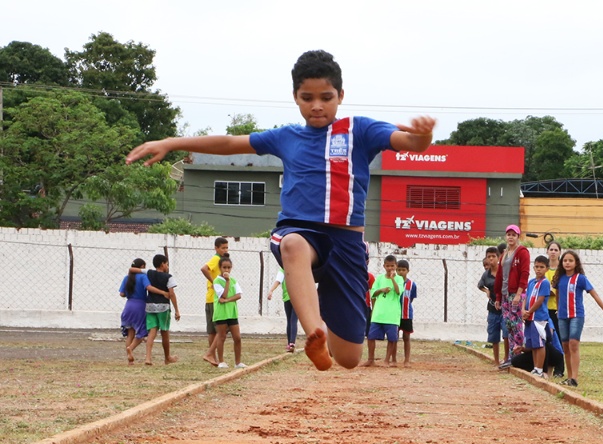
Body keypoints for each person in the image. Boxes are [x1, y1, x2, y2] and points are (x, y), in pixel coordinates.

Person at [126, 49, 435, 373]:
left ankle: (327, 332)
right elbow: (231, 143)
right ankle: (314, 331)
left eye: (326, 97)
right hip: (299, 229)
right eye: (307, 97)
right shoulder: (286, 136)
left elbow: (410, 143)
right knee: (292, 245)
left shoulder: (360, 130)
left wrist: (423, 135)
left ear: (341, 96)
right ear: (295, 97)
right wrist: (173, 143)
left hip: (346, 243)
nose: (317, 105)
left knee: (348, 358)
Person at [552, 249, 603, 387]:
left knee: (573, 344)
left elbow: (594, 294)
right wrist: (558, 310)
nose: (567, 263)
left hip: (577, 316)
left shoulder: (580, 278)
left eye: (570, 260)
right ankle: (569, 377)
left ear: (576, 263)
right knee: (565, 346)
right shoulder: (559, 278)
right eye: (565, 260)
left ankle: (574, 378)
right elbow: (558, 295)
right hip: (563, 317)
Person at [494, 224, 530, 369]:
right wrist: (498, 296)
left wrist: (519, 293)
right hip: (505, 294)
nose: (510, 237)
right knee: (508, 325)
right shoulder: (504, 255)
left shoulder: (522, 252)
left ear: (518, 237)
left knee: (517, 325)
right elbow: (500, 277)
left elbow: (525, 273)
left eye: (513, 235)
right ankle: (510, 357)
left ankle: (518, 356)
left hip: (516, 294)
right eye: (508, 234)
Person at [206, 255, 244, 369]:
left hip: (231, 312)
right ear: (220, 268)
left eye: (228, 267)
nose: (226, 270)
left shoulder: (234, 280)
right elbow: (223, 294)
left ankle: (238, 362)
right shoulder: (217, 281)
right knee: (221, 337)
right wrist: (227, 282)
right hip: (221, 313)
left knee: (237, 337)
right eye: (224, 267)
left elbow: (238, 295)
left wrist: (227, 300)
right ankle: (221, 361)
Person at [144, 254, 180, 366]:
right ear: (162, 264)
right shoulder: (168, 277)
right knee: (165, 332)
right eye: (167, 264)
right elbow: (172, 294)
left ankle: (148, 357)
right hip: (163, 307)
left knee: (152, 332)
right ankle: (167, 357)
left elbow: (134, 269)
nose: (168, 266)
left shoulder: (149, 273)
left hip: (150, 306)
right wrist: (177, 310)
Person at [366, 254, 402, 367]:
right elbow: (373, 293)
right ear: (384, 266)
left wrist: (392, 279)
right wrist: (381, 290)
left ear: (396, 266)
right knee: (371, 336)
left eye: (392, 266)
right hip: (378, 313)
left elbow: (398, 291)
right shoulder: (380, 278)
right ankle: (371, 359)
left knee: (392, 338)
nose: (390, 268)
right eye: (387, 266)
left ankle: (387, 360)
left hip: (391, 315)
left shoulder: (399, 279)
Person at [521, 255, 553, 378]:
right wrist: (524, 310)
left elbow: (540, 300)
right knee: (533, 344)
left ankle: (539, 368)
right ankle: (535, 367)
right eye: (537, 267)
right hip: (529, 317)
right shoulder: (531, 282)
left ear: (547, 269)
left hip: (538, 317)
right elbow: (526, 297)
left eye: (542, 267)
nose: (539, 269)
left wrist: (530, 311)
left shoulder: (545, 283)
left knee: (539, 343)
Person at [200, 237, 229, 365]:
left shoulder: (221, 260)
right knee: (222, 328)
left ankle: (213, 357)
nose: (225, 250)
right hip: (215, 299)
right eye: (223, 248)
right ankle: (210, 353)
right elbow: (204, 268)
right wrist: (214, 282)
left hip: (211, 298)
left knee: (212, 330)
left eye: (226, 247)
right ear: (216, 248)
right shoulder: (216, 259)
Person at [119, 259, 150, 365]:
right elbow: (148, 287)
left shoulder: (126, 278)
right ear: (141, 266)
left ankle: (129, 360)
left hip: (129, 305)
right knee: (141, 333)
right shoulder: (143, 277)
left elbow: (122, 294)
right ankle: (131, 349)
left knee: (130, 333)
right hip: (140, 306)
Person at [478, 246, 503, 366]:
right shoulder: (486, 274)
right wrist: (486, 291)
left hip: (505, 308)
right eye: (489, 257)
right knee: (494, 335)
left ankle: (508, 358)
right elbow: (480, 285)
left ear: (498, 258)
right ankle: (496, 360)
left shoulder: (503, 271)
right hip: (492, 308)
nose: (491, 259)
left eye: (494, 256)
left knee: (508, 334)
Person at [267, 267, 298, 352]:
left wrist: (271, 290)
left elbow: (278, 280)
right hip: (297, 297)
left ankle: (289, 344)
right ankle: (292, 343)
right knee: (293, 320)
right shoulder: (297, 266)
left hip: (288, 297)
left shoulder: (283, 268)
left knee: (290, 320)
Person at [397, 259, 417, 367]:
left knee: (406, 337)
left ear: (408, 271)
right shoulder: (393, 282)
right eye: (399, 270)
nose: (401, 272)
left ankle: (407, 360)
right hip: (394, 313)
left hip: (407, 314)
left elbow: (411, 298)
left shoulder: (412, 284)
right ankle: (393, 359)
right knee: (394, 337)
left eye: (403, 270)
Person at [545, 240, 563, 336]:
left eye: (556, 250)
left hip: (558, 308)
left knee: (559, 336)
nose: (553, 252)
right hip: (544, 307)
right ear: (547, 251)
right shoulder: (543, 268)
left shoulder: (563, 269)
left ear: (560, 252)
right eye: (551, 249)